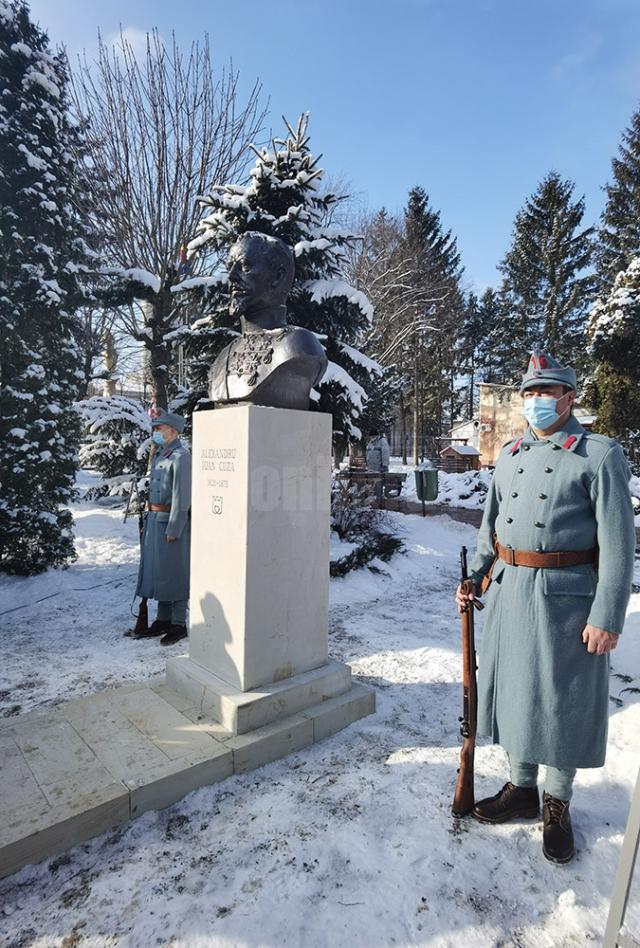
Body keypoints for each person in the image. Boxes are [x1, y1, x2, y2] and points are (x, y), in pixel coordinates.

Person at [455, 350, 635, 864]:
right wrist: (475, 579)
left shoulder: (598, 455)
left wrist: (607, 615)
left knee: (559, 699)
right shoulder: (509, 455)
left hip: (566, 597)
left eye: (547, 393)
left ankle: (557, 802)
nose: (537, 402)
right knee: (515, 690)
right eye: (530, 394)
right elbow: (491, 528)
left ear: (569, 397)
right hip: (511, 591)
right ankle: (521, 787)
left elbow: (619, 546)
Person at [135, 409, 191, 646]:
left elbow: (182, 496)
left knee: (174, 573)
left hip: (169, 523)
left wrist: (174, 528)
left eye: (159, 429)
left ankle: (178, 623)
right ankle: (163, 619)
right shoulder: (161, 455)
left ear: (173, 430)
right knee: (160, 572)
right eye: (155, 429)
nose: (155, 433)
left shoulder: (181, 456)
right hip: (154, 522)